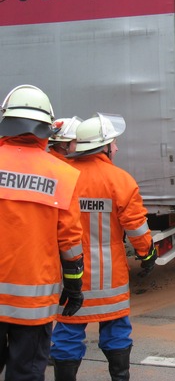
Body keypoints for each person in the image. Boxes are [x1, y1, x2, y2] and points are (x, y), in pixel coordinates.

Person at [50, 113, 157, 381]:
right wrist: (148, 254)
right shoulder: (120, 180)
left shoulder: (64, 177)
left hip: (72, 279)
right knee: (117, 332)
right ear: (104, 146)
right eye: (114, 142)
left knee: (67, 334)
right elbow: (136, 228)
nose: (117, 147)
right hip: (112, 281)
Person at [0, 85, 84, 381]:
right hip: (32, 305)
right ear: (47, 127)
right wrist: (74, 288)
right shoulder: (62, 176)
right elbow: (70, 244)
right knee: (26, 374)